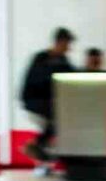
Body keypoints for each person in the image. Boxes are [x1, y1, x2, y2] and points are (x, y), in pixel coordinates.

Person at [20, 27, 76, 163]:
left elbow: (72, 74)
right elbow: (37, 81)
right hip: (34, 100)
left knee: (63, 116)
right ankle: (36, 146)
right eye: (67, 44)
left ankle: (40, 148)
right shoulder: (41, 58)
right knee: (59, 117)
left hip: (50, 101)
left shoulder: (63, 60)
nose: (68, 48)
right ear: (59, 42)